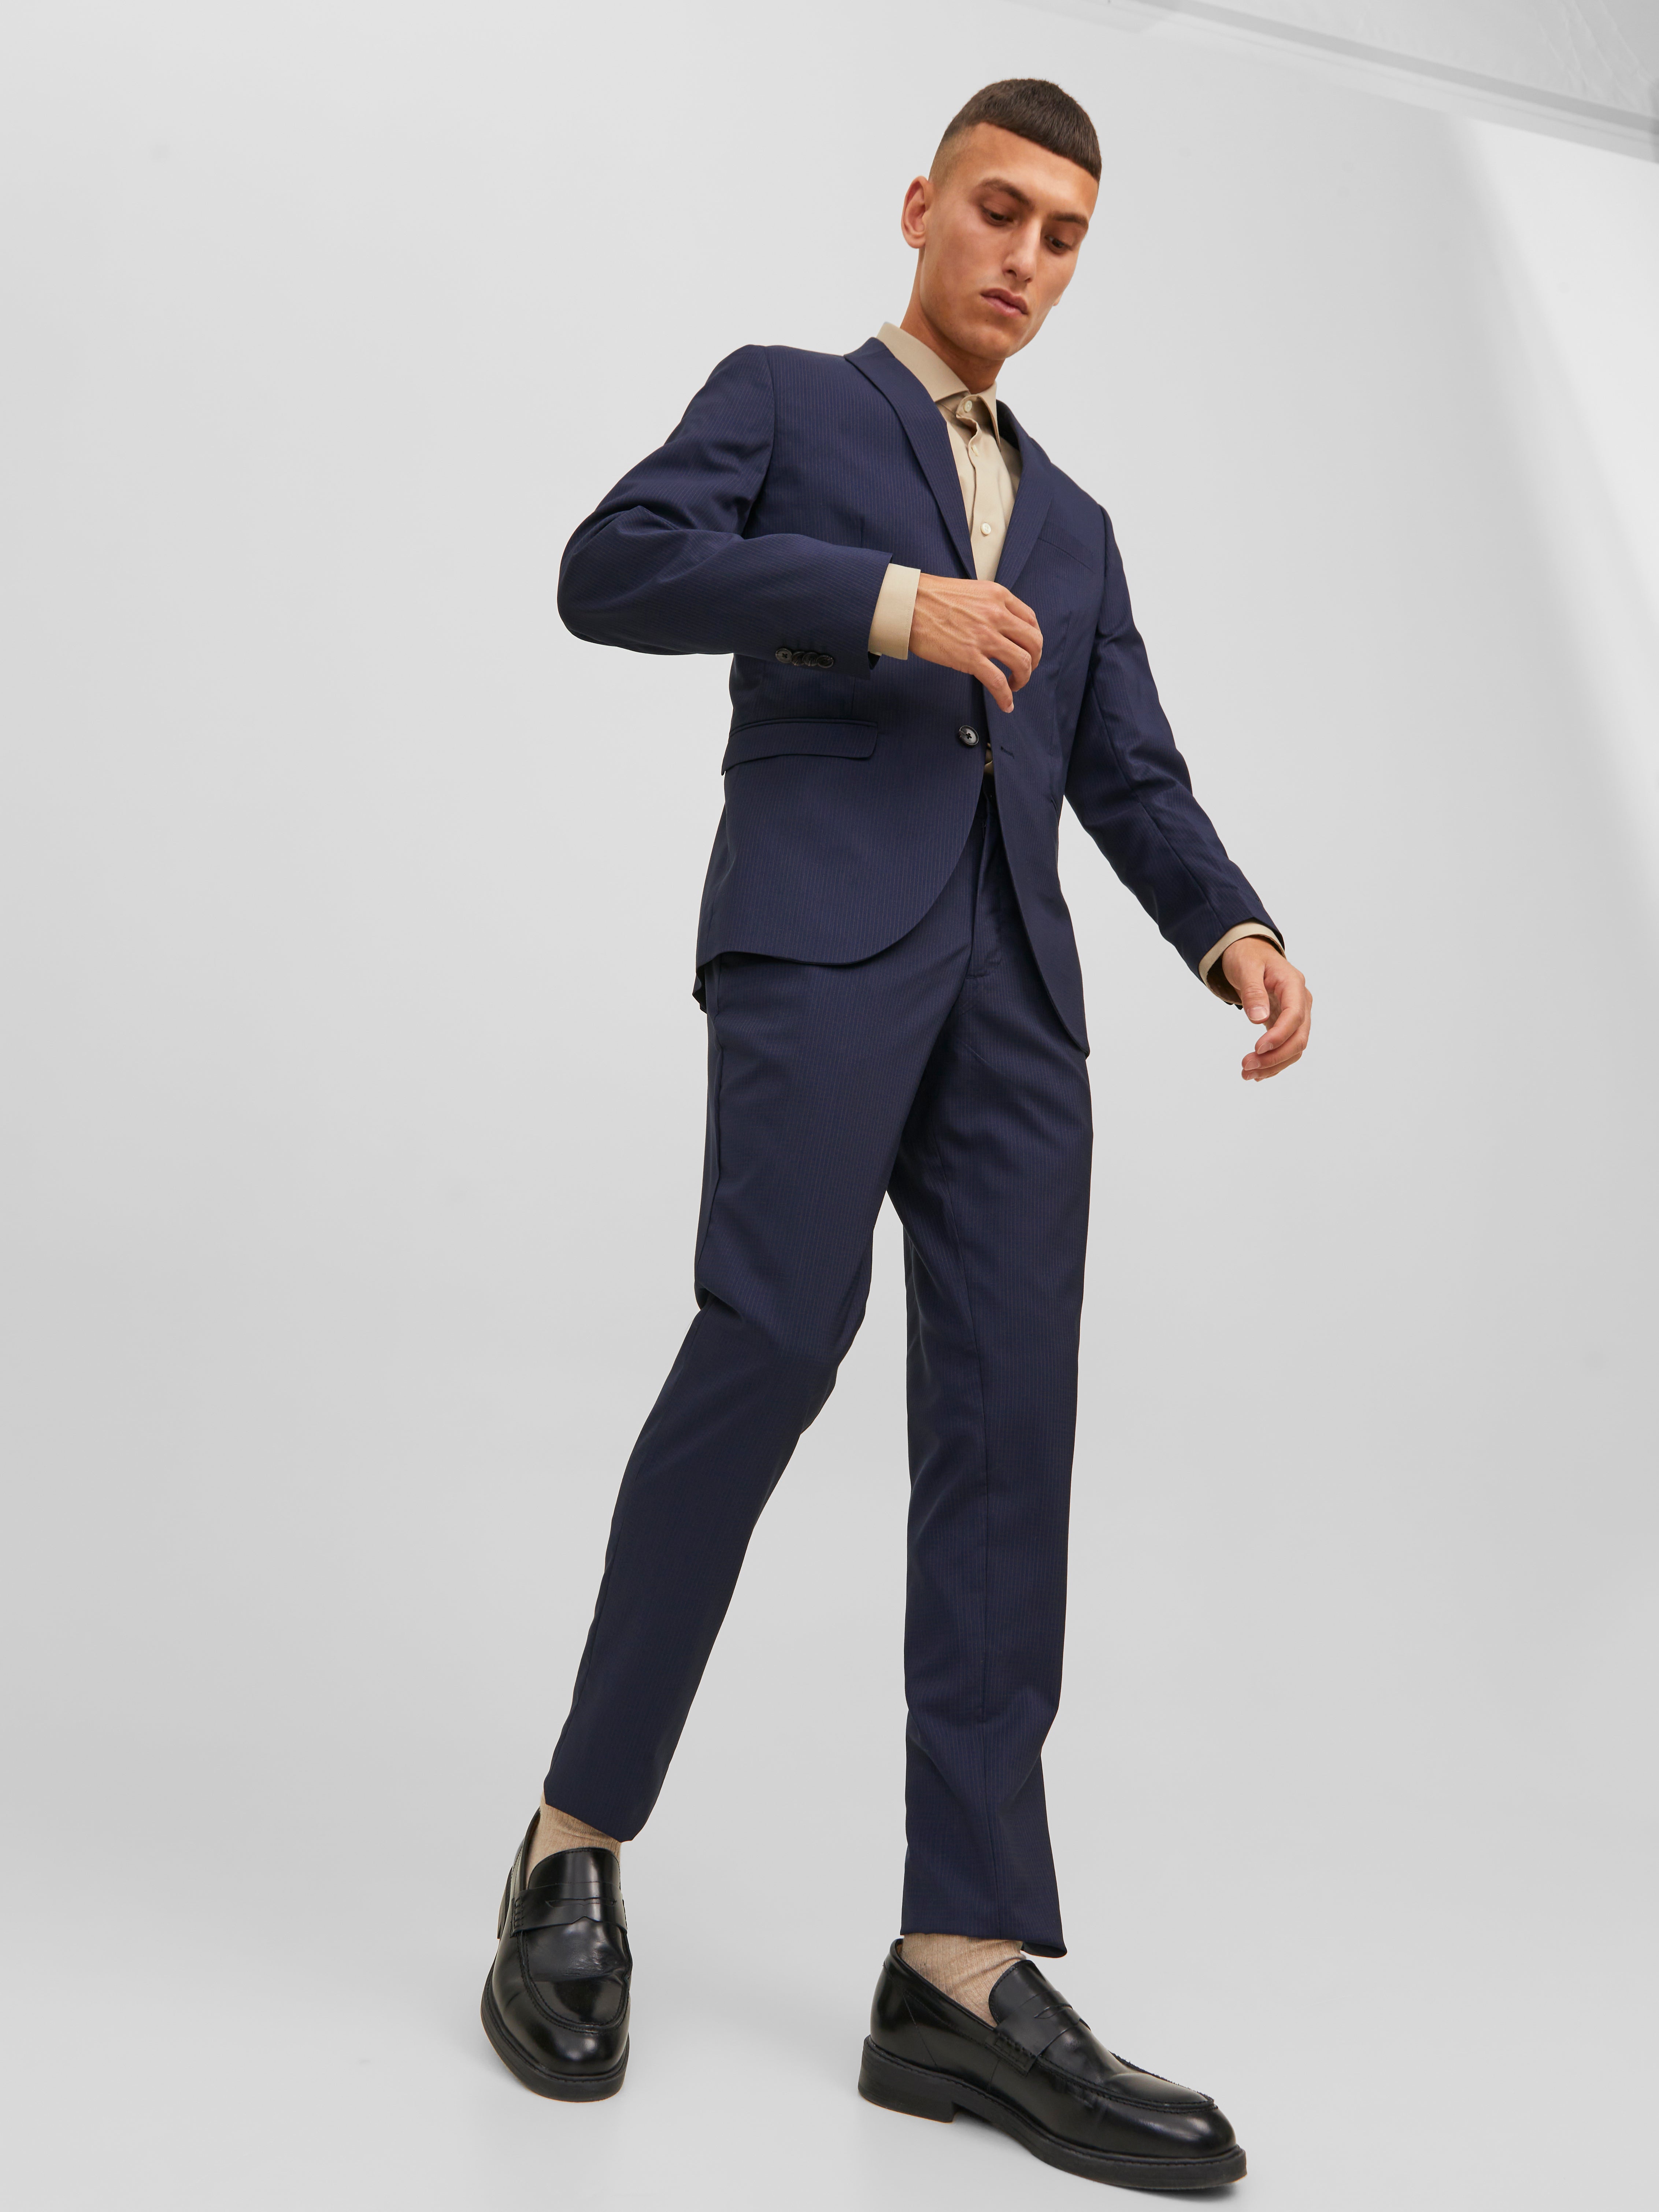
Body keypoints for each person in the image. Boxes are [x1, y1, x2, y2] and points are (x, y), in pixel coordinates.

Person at [481, 77, 1310, 2190]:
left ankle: (960, 1961)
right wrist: (881, 601)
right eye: (1001, 213)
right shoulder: (785, 398)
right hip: (821, 948)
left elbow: (1128, 769)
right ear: (923, 203)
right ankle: (572, 1844)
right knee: (768, 1343)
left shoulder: (1079, 524)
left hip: (1017, 998)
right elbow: (611, 569)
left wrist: (1230, 926)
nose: (1027, 259)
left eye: (1065, 237)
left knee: (1011, 1424)